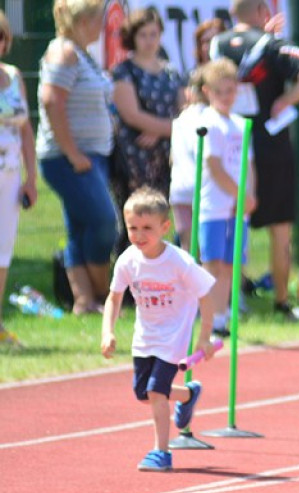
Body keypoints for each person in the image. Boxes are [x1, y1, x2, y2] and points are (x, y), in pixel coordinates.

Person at [211, 0, 299, 322]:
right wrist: (286, 99)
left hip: (229, 142)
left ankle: (231, 298)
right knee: (280, 230)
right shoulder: (272, 45)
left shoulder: (217, 45)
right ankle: (282, 301)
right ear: (262, 12)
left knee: (230, 220)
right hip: (269, 143)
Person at [101, 187, 217, 472]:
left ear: (165, 227)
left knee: (155, 393)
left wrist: (204, 337)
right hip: (145, 336)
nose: (139, 235)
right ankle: (188, 395)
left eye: (147, 228)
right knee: (143, 392)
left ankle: (161, 452)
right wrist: (108, 331)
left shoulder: (179, 262)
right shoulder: (128, 260)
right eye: (133, 228)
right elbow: (114, 297)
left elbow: (205, 295)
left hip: (173, 336)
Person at [37, 0, 119, 316]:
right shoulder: (64, 52)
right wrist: (72, 152)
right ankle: (103, 294)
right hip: (69, 158)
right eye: (98, 19)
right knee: (103, 222)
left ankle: (84, 301)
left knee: (81, 227)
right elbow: (50, 100)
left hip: (89, 155)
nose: (102, 26)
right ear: (83, 21)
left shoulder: (81, 54)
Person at [110, 8, 185, 236]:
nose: (149, 40)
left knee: (160, 215)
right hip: (135, 158)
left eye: (154, 34)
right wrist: (168, 129)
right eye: (143, 34)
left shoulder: (171, 71)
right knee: (136, 217)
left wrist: (161, 132)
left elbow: (184, 110)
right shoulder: (124, 71)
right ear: (132, 37)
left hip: (167, 156)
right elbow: (131, 114)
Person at [198, 58, 256, 338]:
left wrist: (249, 195)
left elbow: (249, 163)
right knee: (213, 264)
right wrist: (238, 194)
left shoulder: (241, 125)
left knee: (231, 265)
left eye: (231, 90)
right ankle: (209, 319)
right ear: (207, 91)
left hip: (238, 207)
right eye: (220, 91)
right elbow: (214, 166)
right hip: (215, 206)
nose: (226, 97)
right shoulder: (209, 123)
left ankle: (221, 316)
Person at [0, 10, 37, 348]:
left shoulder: (13, 75)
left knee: (3, 252)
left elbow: (25, 129)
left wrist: (31, 178)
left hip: (10, 177)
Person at [169, 71, 207, 251]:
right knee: (209, 252)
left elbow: (172, 157)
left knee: (188, 250)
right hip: (204, 190)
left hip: (180, 189)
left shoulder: (180, 119)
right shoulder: (211, 118)